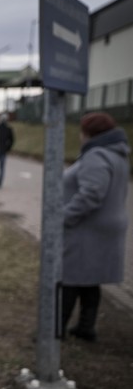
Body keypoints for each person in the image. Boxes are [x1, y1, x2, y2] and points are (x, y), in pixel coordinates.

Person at [61, 112, 130, 342]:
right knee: (90, 280)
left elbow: (91, 194)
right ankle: (85, 327)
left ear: (89, 133)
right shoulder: (117, 155)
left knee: (68, 277)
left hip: (86, 229)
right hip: (102, 229)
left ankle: (55, 329)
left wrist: (64, 217)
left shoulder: (96, 155)